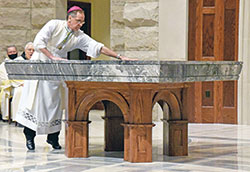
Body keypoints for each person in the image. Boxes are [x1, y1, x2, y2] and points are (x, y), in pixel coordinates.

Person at [15, 6, 133, 151]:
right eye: (78, 21)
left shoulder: (78, 35)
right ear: (69, 18)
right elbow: (38, 42)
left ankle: (53, 138)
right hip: (41, 66)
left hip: (57, 71)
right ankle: (29, 137)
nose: (80, 24)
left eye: (82, 22)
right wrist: (52, 57)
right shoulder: (54, 24)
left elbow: (97, 46)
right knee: (35, 104)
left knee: (54, 105)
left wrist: (119, 57)